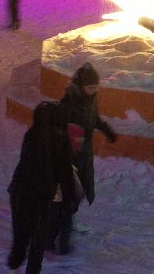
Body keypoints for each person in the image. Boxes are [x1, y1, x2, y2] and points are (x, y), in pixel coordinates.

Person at [54, 62, 119, 254]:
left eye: (96, 87)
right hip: (68, 158)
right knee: (68, 197)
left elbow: (94, 118)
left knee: (78, 195)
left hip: (83, 157)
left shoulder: (90, 99)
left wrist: (107, 130)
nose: (94, 91)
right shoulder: (69, 103)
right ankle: (60, 240)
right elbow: (58, 126)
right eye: (90, 87)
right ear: (81, 87)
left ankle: (60, 226)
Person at [8, 101, 78, 273]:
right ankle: (31, 268)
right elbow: (64, 171)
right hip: (43, 193)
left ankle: (16, 258)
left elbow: (25, 163)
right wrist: (70, 198)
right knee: (38, 237)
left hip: (20, 189)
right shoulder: (61, 139)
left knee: (21, 228)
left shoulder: (31, 134)